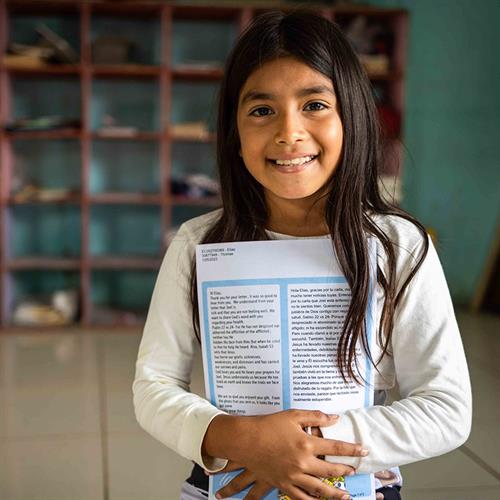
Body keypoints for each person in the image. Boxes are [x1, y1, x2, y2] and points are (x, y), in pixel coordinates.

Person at [133, 10, 471, 500]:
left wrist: (301, 448)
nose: (289, 133)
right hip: (230, 481)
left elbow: (446, 408)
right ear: (234, 131)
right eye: (262, 110)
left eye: (314, 104)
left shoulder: (399, 247)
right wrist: (240, 438)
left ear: (350, 116)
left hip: (355, 485)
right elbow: (153, 387)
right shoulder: (197, 244)